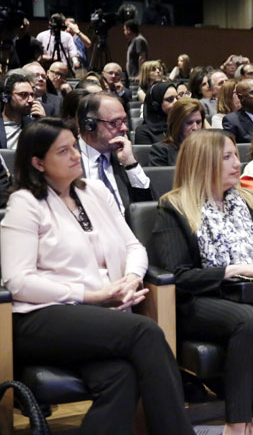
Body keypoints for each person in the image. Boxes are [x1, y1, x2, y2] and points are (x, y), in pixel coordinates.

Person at [1, 118, 194, 435]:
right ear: (38, 163)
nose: (75, 155)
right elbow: (18, 282)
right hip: (42, 317)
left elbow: (134, 246)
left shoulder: (95, 191)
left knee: (120, 376)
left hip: (99, 317)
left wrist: (131, 279)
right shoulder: (25, 203)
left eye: (74, 147)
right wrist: (92, 296)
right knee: (145, 332)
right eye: (63, 151)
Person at [149, 129, 253, 435]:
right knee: (250, 321)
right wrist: (235, 270)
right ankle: (236, 425)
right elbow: (180, 276)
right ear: (202, 162)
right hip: (201, 300)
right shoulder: (174, 207)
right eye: (226, 157)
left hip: (252, 293)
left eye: (236, 155)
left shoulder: (252, 202)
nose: (237, 163)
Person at [77, 92, 156, 216]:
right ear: (89, 125)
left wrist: (130, 164)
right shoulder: (68, 160)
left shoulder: (124, 157)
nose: (124, 128)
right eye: (114, 122)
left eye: (124, 121)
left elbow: (149, 207)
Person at [149, 98, 205, 166]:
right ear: (177, 124)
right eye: (189, 123)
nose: (195, 128)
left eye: (198, 122)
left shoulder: (208, 149)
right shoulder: (161, 151)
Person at [1, 69, 44, 149]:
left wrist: (44, 122)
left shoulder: (34, 125)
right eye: (23, 95)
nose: (30, 100)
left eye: (32, 95)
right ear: (6, 97)